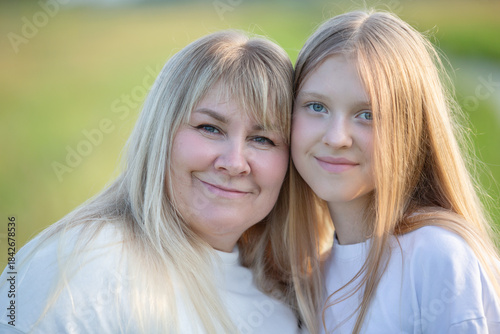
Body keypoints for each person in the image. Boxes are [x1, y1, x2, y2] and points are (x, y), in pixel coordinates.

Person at [0, 30, 308, 333]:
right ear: (160, 132)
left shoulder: (290, 297)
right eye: (210, 128)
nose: (234, 163)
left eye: (263, 139)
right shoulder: (77, 270)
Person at [287, 10, 500, 334]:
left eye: (367, 114)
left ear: (412, 131)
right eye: (317, 106)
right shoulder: (311, 277)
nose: (336, 138)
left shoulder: (438, 258)